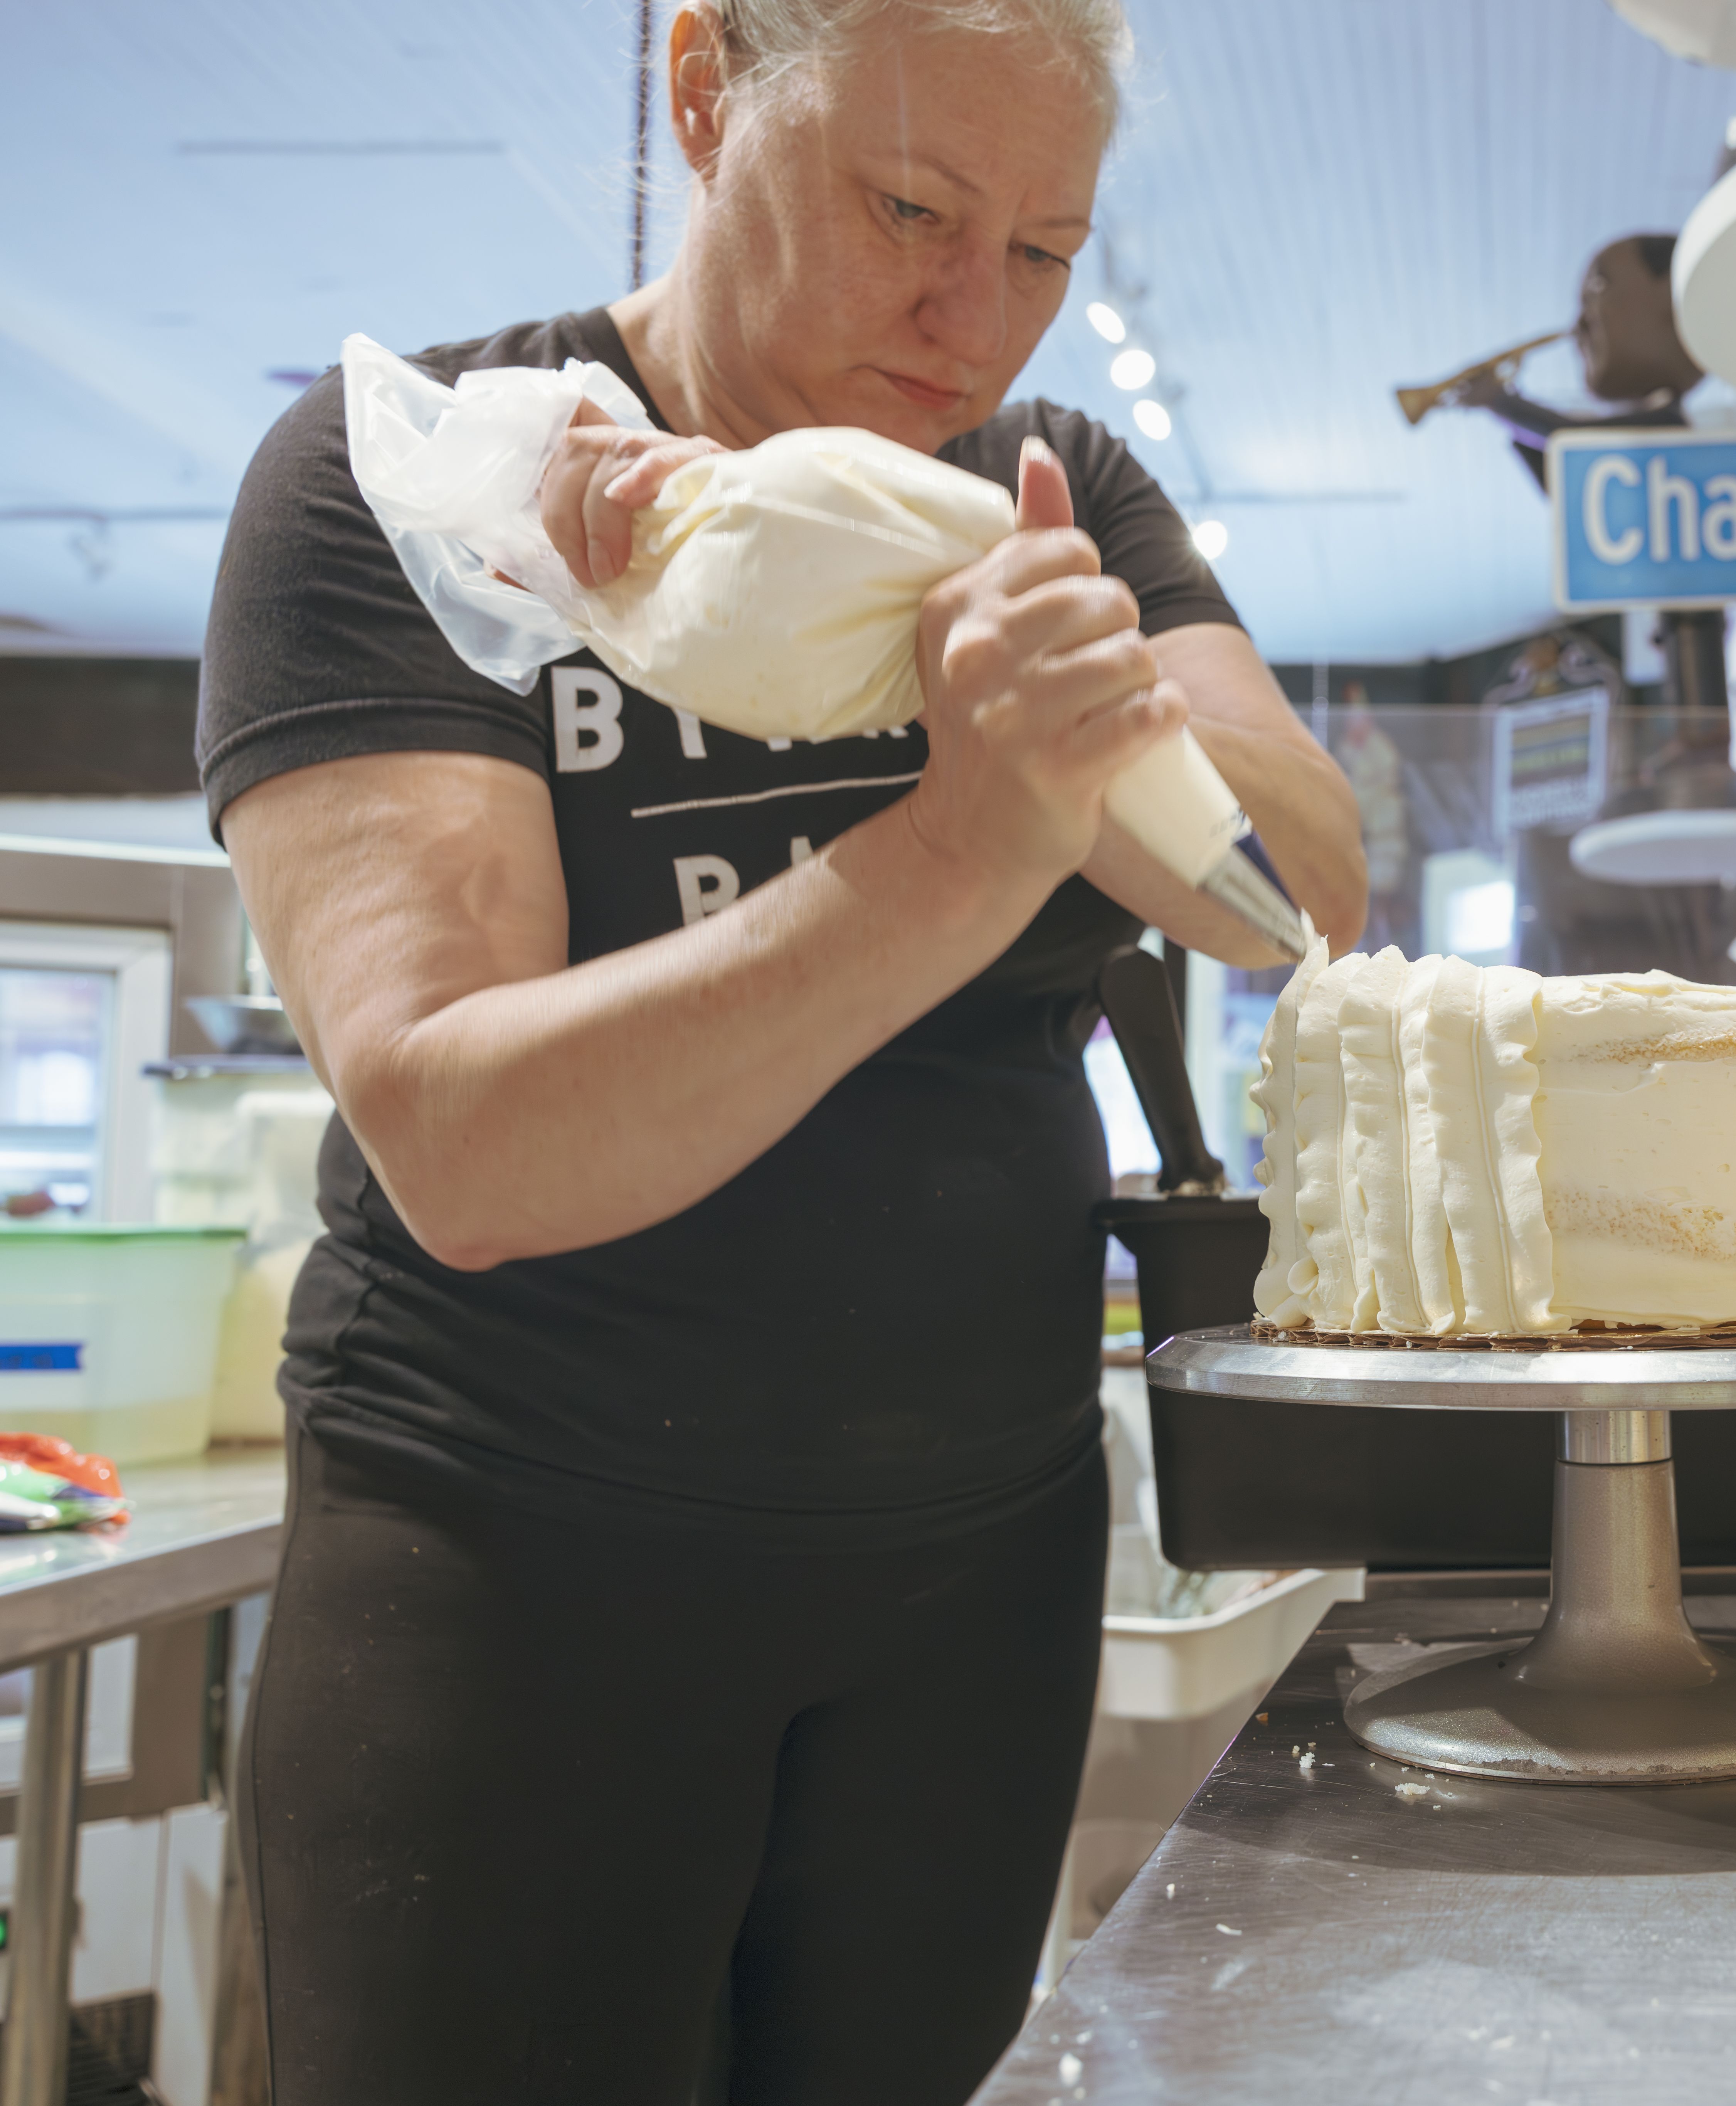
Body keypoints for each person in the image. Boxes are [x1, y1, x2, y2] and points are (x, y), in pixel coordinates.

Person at [193, 0, 1364, 2096]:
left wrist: (1063, 687)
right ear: (705, 88)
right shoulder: (440, 478)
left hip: (970, 1580)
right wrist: (959, 840)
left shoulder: (1049, 492)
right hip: (514, 1575)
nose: (968, 313)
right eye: (911, 208)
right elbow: (470, 1141)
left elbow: (1312, 880)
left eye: (1042, 248)